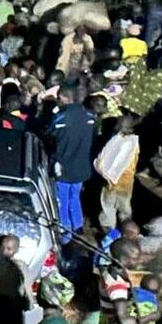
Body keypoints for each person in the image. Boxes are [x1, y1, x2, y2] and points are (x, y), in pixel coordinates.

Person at [49, 85, 96, 242]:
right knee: (75, 196)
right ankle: (78, 225)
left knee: (62, 199)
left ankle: (66, 232)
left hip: (63, 167)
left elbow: (49, 134)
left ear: (64, 98)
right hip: (82, 166)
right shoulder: (90, 116)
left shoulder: (60, 118)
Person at [94, 115, 140, 231]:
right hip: (125, 183)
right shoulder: (130, 141)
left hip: (113, 181)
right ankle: (125, 231)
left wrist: (105, 173)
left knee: (108, 207)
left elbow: (115, 163)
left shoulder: (125, 143)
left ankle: (110, 234)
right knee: (124, 209)